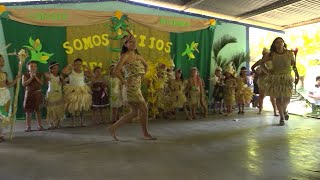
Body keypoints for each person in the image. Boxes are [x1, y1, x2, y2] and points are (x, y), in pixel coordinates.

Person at [109, 34, 156, 141]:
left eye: (134, 41)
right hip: (130, 88)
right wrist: (124, 81)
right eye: (130, 41)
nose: (133, 43)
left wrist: (142, 76)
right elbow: (116, 71)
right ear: (125, 44)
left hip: (137, 87)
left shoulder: (139, 56)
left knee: (134, 112)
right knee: (144, 108)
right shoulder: (124, 56)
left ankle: (113, 128)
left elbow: (146, 65)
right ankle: (145, 134)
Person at [261, 37, 299, 125]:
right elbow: (262, 63)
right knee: (278, 97)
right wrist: (268, 72)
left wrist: (297, 75)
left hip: (287, 78)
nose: (279, 44)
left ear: (283, 43)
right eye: (277, 42)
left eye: (281, 42)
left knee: (287, 98)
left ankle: (284, 110)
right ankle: (281, 117)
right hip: (276, 77)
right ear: (274, 44)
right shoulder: (272, 54)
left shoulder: (289, 53)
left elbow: (293, 65)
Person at [62, 58, 93, 127]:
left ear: (81, 65)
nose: (78, 66)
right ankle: (73, 122)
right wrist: (69, 65)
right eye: (76, 64)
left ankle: (81, 121)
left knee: (81, 106)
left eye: (79, 64)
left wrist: (87, 68)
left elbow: (91, 75)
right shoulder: (71, 71)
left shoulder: (83, 72)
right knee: (73, 107)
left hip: (82, 89)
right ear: (74, 65)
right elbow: (64, 72)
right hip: (73, 89)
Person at [251, 48, 278, 116]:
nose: (265, 55)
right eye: (264, 54)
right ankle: (260, 110)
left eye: (266, 54)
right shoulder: (261, 61)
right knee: (261, 96)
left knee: (273, 96)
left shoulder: (273, 61)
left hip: (271, 80)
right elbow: (252, 67)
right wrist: (257, 74)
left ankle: (275, 111)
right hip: (262, 80)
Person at [0, 55, 19, 141]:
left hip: (5, 95)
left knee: (3, 116)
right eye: (0, 61)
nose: (2, 63)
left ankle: (1, 134)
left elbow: (8, 85)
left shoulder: (4, 74)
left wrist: (16, 79)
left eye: (2, 61)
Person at [22, 61, 44, 132]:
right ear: (28, 67)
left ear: (37, 68)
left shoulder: (40, 74)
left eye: (35, 66)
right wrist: (31, 78)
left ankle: (40, 125)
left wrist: (35, 77)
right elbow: (24, 84)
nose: (33, 68)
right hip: (29, 94)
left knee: (38, 111)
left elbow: (41, 83)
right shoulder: (25, 75)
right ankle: (28, 126)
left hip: (37, 94)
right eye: (31, 66)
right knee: (28, 111)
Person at [45, 61, 64, 129]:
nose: (55, 70)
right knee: (51, 109)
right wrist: (47, 78)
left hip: (58, 94)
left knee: (59, 108)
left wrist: (62, 80)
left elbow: (63, 84)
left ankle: (58, 123)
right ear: (50, 69)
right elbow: (45, 83)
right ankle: (51, 124)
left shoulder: (60, 76)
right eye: (54, 68)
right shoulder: (49, 75)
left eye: (57, 68)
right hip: (51, 94)